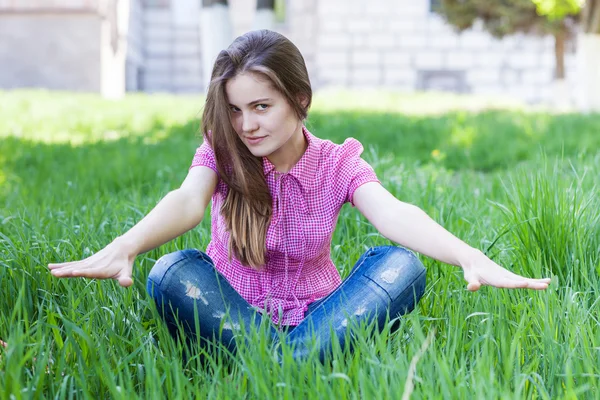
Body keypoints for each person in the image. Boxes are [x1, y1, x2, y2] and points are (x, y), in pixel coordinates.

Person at [48, 30, 550, 361]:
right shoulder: (223, 151)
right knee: (171, 272)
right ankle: (299, 363)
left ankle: (278, 363)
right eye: (236, 109)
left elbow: (393, 213)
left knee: (404, 267)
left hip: (325, 314)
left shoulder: (336, 163)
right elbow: (187, 201)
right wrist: (126, 246)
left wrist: (469, 256)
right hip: (233, 315)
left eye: (261, 106)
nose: (246, 125)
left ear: (300, 99)